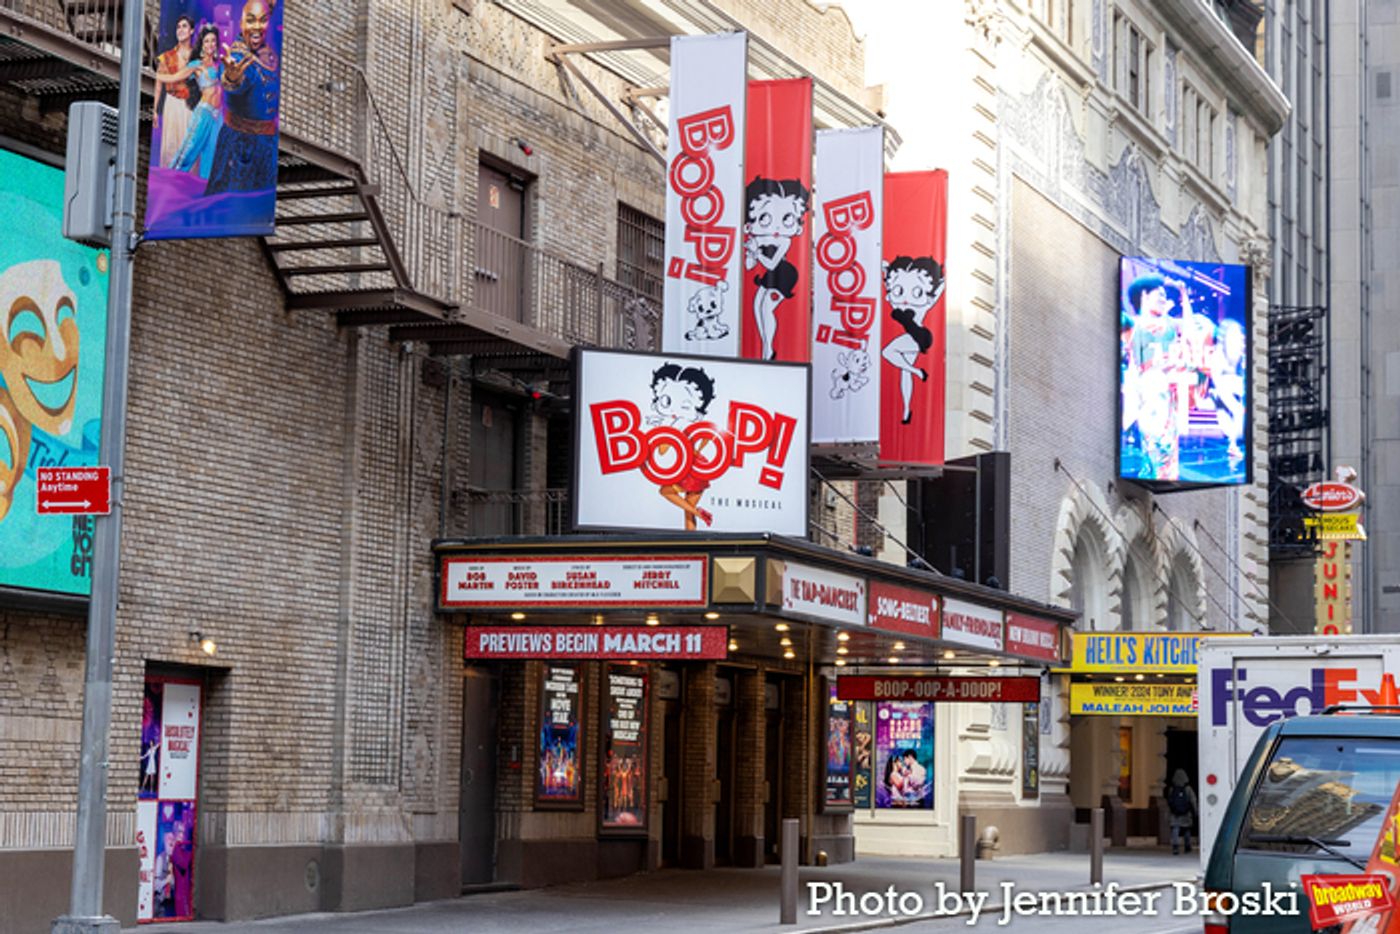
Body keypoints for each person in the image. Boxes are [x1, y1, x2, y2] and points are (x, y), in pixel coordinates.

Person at [205, 0, 279, 196]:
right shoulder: (237, 56)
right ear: (241, 23)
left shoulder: (270, 53)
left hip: (266, 147)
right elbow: (234, 81)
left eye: (262, 20)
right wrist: (232, 77)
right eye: (251, 20)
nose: (256, 27)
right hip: (239, 148)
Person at [1124, 273, 1188, 480]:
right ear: (1144, 295)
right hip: (1148, 388)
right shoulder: (1134, 325)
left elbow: (1188, 326)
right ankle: (1151, 468)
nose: (1163, 299)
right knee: (1152, 436)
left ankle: (1163, 473)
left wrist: (1183, 293)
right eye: (1159, 295)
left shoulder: (1170, 323)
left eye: (1164, 296)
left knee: (1167, 439)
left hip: (1166, 390)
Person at [743, 177, 809, 360]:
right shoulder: (757, 238)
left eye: (787, 218)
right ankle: (766, 347)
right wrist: (750, 252)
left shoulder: (784, 240)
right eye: (764, 218)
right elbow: (749, 266)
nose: (777, 225)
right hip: (770, 275)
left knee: (766, 308)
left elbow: (772, 263)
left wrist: (757, 254)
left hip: (785, 273)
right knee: (757, 307)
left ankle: (768, 350)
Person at [645, 362, 717, 530]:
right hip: (693, 464)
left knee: (666, 491)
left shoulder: (680, 425)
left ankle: (698, 514)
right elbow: (663, 450)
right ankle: (693, 539)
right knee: (687, 510)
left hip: (690, 466)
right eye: (666, 401)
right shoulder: (678, 425)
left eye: (685, 405)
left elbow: (663, 450)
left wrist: (666, 432)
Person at [881, 256, 946, 425]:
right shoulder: (896, 303)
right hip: (913, 339)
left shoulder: (924, 305)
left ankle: (918, 372)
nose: (904, 297)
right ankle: (906, 411)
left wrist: (944, 276)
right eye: (898, 291)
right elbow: (887, 281)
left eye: (916, 292)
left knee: (887, 351)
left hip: (921, 336)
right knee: (905, 373)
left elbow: (939, 289)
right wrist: (884, 269)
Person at [156, 26, 224, 180]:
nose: (210, 44)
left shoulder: (220, 65)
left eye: (213, 41)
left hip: (217, 117)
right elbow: (176, 77)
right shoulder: (196, 65)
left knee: (211, 154)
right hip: (204, 112)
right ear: (202, 45)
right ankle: (170, 179)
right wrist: (158, 76)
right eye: (207, 41)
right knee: (189, 149)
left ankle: (205, 191)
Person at [154, 16, 197, 168]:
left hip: (192, 105)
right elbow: (158, 84)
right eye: (178, 27)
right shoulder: (167, 56)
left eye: (184, 26)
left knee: (190, 147)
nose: (180, 30)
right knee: (171, 147)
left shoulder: (197, 56)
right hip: (172, 103)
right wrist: (154, 110)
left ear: (191, 31)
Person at [1166, 768, 1198, 855]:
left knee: (1175, 829)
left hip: (1175, 813)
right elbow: (1193, 800)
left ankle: (1175, 847)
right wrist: (1195, 811)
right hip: (1186, 813)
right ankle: (1187, 846)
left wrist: (1169, 813)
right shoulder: (1188, 789)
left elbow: (1170, 801)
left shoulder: (1172, 789)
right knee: (1186, 829)